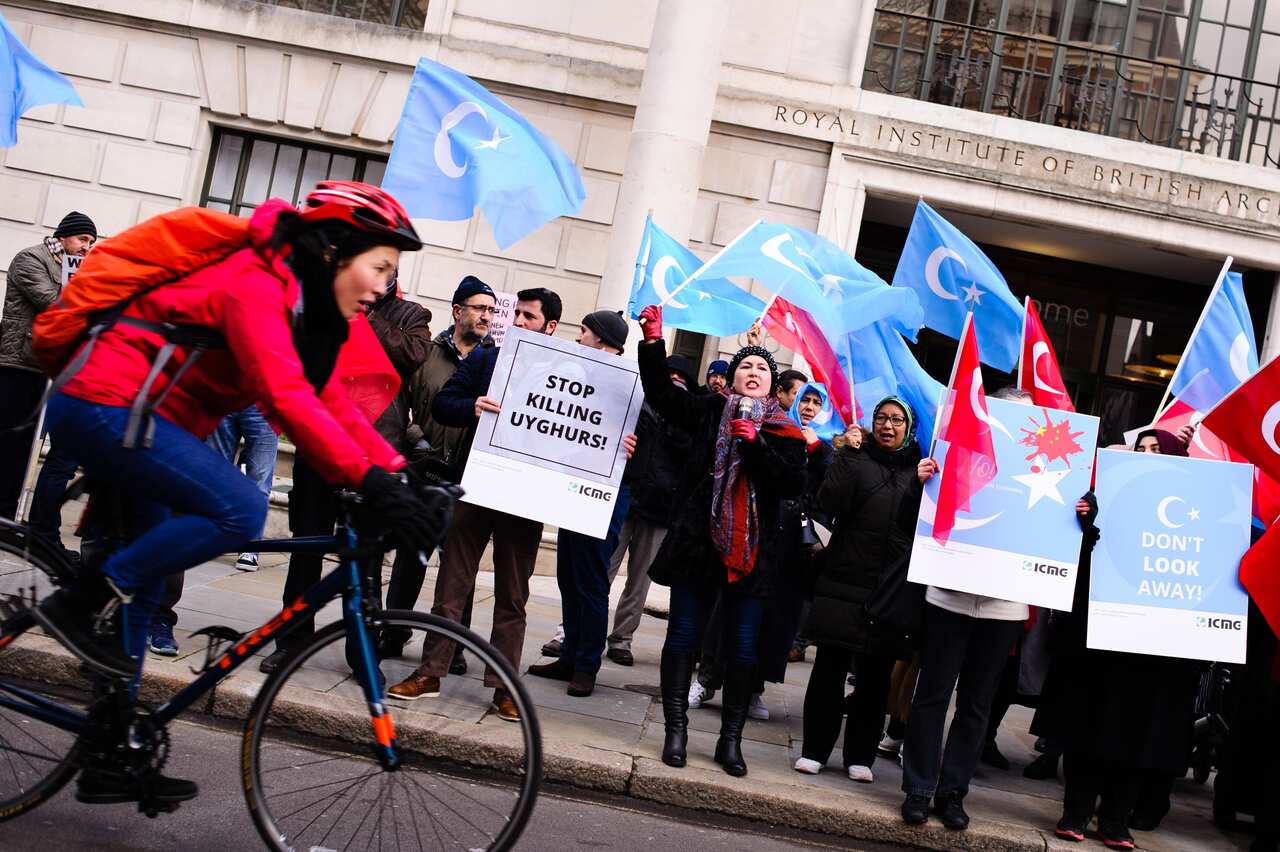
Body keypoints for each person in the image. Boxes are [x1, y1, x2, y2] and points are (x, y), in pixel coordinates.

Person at [32, 182, 443, 805]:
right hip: (104, 404)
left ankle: (109, 754)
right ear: (334, 251)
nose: (385, 287)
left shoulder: (304, 307)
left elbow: (328, 399)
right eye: (380, 267)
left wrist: (398, 470)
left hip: (152, 421)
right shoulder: (256, 283)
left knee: (143, 589)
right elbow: (284, 395)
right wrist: (368, 481)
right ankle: (83, 596)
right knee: (241, 508)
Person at [636, 304, 806, 778]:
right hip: (699, 546)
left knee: (742, 648)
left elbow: (791, 484)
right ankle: (676, 729)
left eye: (761, 368)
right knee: (684, 636)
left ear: (773, 384)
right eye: (744, 367)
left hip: (753, 557)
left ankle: (730, 741)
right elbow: (664, 399)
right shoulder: (711, 409)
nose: (753, 372)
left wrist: (754, 445)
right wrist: (653, 341)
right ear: (731, 379)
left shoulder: (785, 431)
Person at [384, 288, 563, 723]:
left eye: (529, 317)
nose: (518, 321)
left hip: (524, 497)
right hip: (477, 485)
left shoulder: (565, 371)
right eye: (516, 313)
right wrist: (473, 408)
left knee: (513, 596)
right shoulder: (486, 358)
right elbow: (445, 403)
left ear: (550, 327)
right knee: (452, 583)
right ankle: (431, 672)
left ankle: (504, 688)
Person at [259, 272, 432, 674]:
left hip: (373, 449)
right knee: (307, 550)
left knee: (365, 562)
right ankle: (292, 641)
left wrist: (367, 317)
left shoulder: (411, 314)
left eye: (383, 269)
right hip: (322, 443)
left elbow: (413, 355)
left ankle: (362, 652)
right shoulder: (330, 305)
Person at [1047, 427, 1202, 849]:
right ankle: (1076, 812)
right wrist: (1085, 520)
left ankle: (1114, 819)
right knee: (1093, 723)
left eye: (1158, 449)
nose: (1148, 454)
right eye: (1142, 449)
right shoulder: (1105, 497)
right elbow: (1083, 555)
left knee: (1139, 732)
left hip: (1155, 647)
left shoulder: (1195, 507)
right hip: (1104, 639)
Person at [900, 386, 1041, 830]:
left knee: (977, 704)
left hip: (1004, 608)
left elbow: (1056, 535)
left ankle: (953, 791)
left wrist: (1081, 512)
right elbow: (912, 524)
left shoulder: (1045, 466)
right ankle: (919, 788)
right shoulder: (956, 453)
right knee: (932, 694)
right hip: (948, 595)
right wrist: (918, 484)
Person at [795, 396, 929, 785]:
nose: (888, 426)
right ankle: (814, 751)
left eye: (896, 420)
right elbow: (828, 500)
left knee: (875, 678)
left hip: (889, 590)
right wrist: (848, 457)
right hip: (844, 581)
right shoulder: (856, 456)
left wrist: (922, 484)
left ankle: (860, 756)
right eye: (881, 418)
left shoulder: (920, 469)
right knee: (828, 671)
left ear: (909, 428)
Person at [379, 276, 492, 664]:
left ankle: (454, 646)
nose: (486, 316)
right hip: (424, 469)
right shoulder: (427, 353)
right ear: (458, 311)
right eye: (479, 308)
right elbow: (400, 403)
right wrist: (415, 439)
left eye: (491, 310)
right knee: (410, 558)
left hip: (466, 478)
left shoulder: (493, 361)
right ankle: (393, 633)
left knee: (461, 567)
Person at [527, 311, 638, 697]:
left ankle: (587, 664)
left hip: (604, 497)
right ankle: (570, 655)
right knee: (569, 577)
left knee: (590, 582)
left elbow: (651, 440)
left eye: (584, 332)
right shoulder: (579, 375)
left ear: (603, 340)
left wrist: (634, 447)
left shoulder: (631, 384)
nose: (579, 338)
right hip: (572, 489)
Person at [0, 211, 96, 559]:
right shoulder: (31, 258)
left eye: (91, 243)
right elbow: (55, 304)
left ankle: (34, 528)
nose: (87, 248)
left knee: (50, 453)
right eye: (84, 240)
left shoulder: (77, 267)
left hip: (53, 368)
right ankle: (5, 519)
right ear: (66, 236)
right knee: (13, 448)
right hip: (20, 363)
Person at [601, 354, 696, 667]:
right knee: (602, 569)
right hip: (626, 497)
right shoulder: (637, 408)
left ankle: (622, 639)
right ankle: (577, 631)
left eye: (680, 382)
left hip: (659, 509)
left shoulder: (689, 421)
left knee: (639, 580)